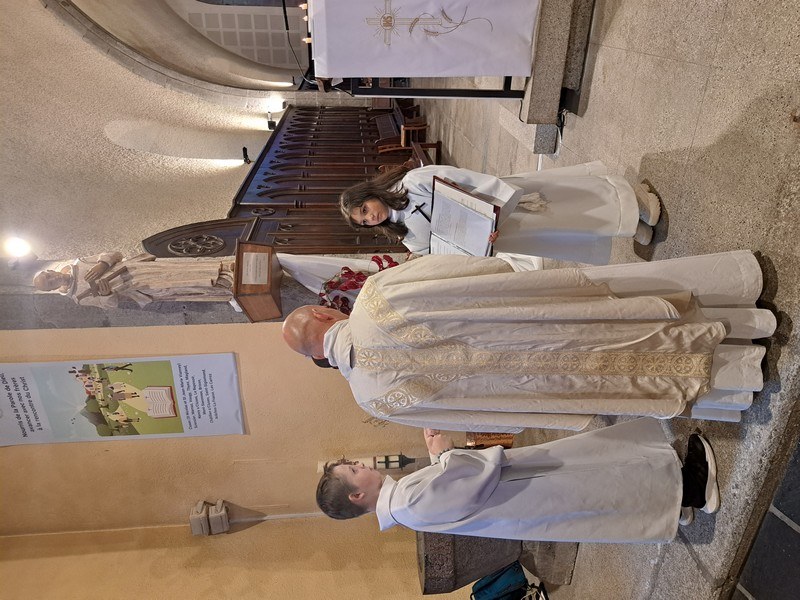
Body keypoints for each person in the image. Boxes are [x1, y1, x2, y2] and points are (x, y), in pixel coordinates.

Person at [282, 252, 775, 432]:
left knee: (630, 377)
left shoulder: (372, 400)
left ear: (316, 357)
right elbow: (469, 272)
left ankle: (744, 373)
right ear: (325, 314)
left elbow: (473, 420)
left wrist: (541, 412)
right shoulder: (375, 296)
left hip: (540, 384)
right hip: (542, 323)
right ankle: (748, 318)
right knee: (626, 320)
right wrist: (508, 275)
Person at [316, 418, 718, 542]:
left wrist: (439, 458)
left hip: (517, 496)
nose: (361, 465)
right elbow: (467, 486)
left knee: (596, 479)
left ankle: (672, 499)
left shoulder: (404, 502)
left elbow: (451, 491)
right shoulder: (405, 503)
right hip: (524, 494)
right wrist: (448, 452)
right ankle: (691, 488)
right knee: (597, 484)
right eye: (353, 470)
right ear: (357, 495)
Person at [339, 162, 662, 264]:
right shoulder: (408, 239)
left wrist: (494, 203)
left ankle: (632, 200)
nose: (370, 218)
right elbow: (448, 256)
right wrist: (481, 246)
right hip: (503, 233)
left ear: (370, 194)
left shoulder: (414, 183)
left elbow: (462, 177)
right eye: (364, 221)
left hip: (505, 204)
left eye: (365, 209)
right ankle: (626, 225)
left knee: (570, 203)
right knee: (569, 228)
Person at [33, 252, 234, 308]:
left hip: (138, 269)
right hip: (138, 286)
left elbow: (115, 254)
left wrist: (103, 263)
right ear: (52, 289)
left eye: (49, 275)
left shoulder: (81, 262)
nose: (53, 278)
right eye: (50, 283)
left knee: (181, 269)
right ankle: (225, 285)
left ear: (51, 270)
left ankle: (225, 267)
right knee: (180, 284)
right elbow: (110, 305)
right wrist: (107, 294)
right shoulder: (79, 296)